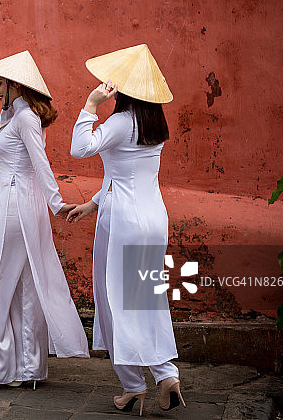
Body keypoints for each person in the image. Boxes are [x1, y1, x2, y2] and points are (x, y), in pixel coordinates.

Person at [67, 44, 185, 416]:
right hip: (152, 217)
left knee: (115, 298)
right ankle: (166, 375)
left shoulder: (121, 121)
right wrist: (93, 202)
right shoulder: (155, 124)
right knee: (146, 296)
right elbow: (126, 172)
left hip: (124, 222)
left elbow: (79, 148)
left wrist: (90, 105)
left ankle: (134, 385)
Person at [0, 50, 90, 388]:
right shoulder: (13, 116)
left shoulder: (25, 120)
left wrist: (56, 202)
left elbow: (40, 163)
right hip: (9, 202)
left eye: (0, 83)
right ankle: (23, 369)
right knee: (19, 285)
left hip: (16, 207)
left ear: (15, 85)